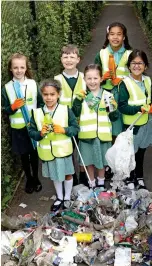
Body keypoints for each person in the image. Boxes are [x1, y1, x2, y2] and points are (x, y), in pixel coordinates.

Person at [28, 79, 78, 211]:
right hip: (48, 153)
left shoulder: (66, 110)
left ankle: (67, 197)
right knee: (55, 175)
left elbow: (75, 128)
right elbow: (31, 132)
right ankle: (59, 197)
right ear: (42, 95)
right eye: (45, 94)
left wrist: (65, 130)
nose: (49, 97)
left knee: (67, 174)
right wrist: (40, 133)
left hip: (63, 151)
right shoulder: (37, 113)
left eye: (52, 94)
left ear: (58, 94)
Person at [95, 22, 132, 179]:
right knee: (108, 129)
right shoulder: (102, 54)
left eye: (119, 34)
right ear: (107, 36)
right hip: (106, 96)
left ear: (124, 37)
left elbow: (136, 75)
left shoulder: (130, 54)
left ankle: (121, 162)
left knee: (121, 130)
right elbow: (93, 76)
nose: (115, 37)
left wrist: (122, 80)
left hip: (123, 96)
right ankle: (109, 163)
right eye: (112, 34)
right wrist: (101, 79)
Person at [118, 49, 152, 190]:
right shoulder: (124, 83)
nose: (137, 66)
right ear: (129, 66)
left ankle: (139, 176)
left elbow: (150, 99)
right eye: (133, 63)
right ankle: (130, 177)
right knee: (131, 154)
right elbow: (122, 107)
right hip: (132, 126)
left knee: (141, 152)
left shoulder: (147, 80)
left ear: (146, 66)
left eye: (140, 63)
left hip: (146, 124)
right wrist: (139, 108)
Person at [2, 53, 43, 194]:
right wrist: (12, 107)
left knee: (34, 153)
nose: (19, 70)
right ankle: (29, 179)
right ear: (11, 69)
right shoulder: (6, 88)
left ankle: (36, 178)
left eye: (22, 67)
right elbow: (5, 109)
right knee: (24, 155)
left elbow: (40, 102)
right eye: (15, 68)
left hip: (32, 126)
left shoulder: (32, 84)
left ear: (26, 68)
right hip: (18, 128)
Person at [72, 64, 118, 189]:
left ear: (101, 78)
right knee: (89, 161)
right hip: (87, 136)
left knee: (102, 162)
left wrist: (114, 109)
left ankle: (101, 183)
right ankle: (91, 182)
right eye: (89, 78)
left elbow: (114, 117)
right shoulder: (81, 96)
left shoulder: (107, 96)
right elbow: (75, 113)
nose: (92, 82)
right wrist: (77, 102)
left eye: (95, 78)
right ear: (84, 80)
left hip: (103, 136)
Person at [54, 44, 87, 186]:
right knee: (68, 150)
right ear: (61, 59)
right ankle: (71, 177)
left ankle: (83, 175)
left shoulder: (85, 77)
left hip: (83, 121)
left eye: (72, 57)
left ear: (78, 59)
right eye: (65, 57)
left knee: (83, 149)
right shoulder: (57, 80)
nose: (69, 60)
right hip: (65, 123)